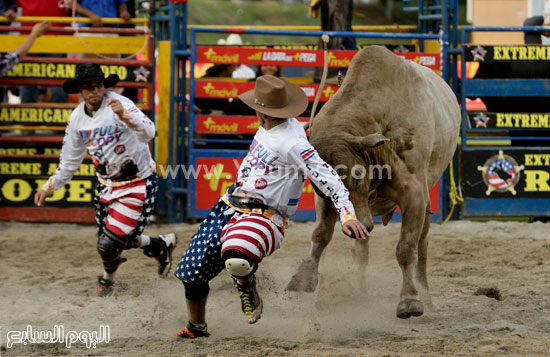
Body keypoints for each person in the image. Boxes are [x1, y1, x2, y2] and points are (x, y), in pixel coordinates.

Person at [172, 75, 369, 339]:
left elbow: (327, 175)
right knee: (190, 274)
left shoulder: (293, 143)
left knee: (238, 259)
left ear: (259, 110)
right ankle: (197, 327)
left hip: (264, 216)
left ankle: (246, 285)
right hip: (228, 206)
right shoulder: (281, 130)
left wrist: (347, 214)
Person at [34, 63, 177, 297]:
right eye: (89, 87)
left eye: (98, 85)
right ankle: (159, 245)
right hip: (107, 186)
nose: (94, 91)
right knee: (114, 238)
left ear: (104, 86)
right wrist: (50, 186)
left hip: (138, 183)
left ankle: (107, 282)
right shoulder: (77, 119)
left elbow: (149, 132)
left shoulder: (120, 105)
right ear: (80, 90)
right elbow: (70, 159)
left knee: (108, 243)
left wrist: (125, 116)